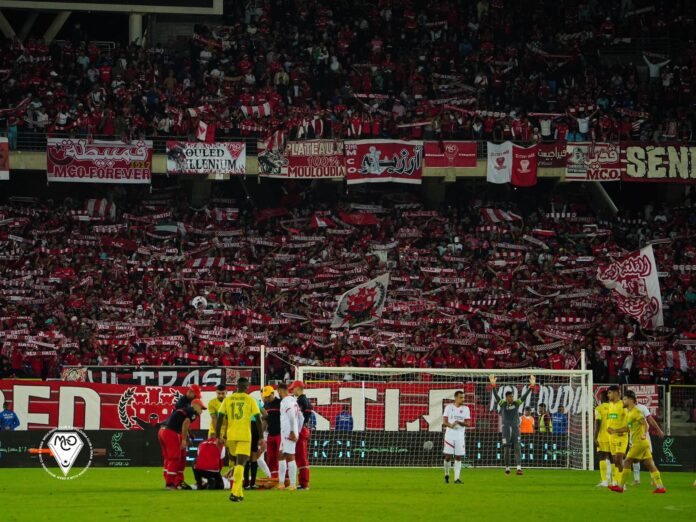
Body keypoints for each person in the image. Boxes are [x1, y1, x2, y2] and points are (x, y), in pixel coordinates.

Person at [215, 377, 264, 502]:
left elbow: (220, 417)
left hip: (231, 436)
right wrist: (261, 437)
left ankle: (240, 493)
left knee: (237, 464)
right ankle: (234, 493)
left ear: (237, 386)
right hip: (244, 436)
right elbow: (258, 419)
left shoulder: (228, 399)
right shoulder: (250, 400)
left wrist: (217, 436)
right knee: (241, 464)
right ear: (247, 387)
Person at [610, 391, 666, 494]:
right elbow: (628, 428)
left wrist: (644, 434)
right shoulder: (629, 413)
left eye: (625, 399)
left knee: (627, 461)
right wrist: (615, 431)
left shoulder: (636, 412)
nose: (623, 401)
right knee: (649, 464)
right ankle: (660, 487)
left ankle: (620, 486)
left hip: (639, 442)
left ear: (631, 400)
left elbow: (645, 424)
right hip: (642, 443)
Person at [489, 374, 537, 475]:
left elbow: (524, 397)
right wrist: (493, 385)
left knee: (517, 447)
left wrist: (531, 386)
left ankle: (519, 468)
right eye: (510, 396)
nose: (512, 398)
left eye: (512, 396)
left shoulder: (516, 403)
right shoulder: (502, 403)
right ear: (506, 397)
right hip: (506, 429)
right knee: (506, 449)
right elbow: (496, 396)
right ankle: (507, 468)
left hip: (515, 428)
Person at [158, 398, 206, 489]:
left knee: (174, 457)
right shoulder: (193, 412)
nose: (201, 411)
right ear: (196, 405)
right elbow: (185, 424)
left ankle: (177, 481)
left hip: (162, 431)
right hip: (171, 432)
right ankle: (170, 484)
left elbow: (183, 424)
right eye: (201, 408)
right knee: (175, 458)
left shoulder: (185, 410)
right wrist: (184, 440)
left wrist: (188, 438)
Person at [630, 399, 664, 485]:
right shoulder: (627, 409)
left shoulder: (642, 408)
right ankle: (637, 480)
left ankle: (654, 479)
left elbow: (650, 420)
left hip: (643, 436)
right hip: (632, 436)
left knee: (648, 458)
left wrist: (659, 430)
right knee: (634, 459)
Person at [442, 390, 472, 484]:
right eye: (461, 397)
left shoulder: (466, 408)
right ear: (455, 398)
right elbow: (444, 422)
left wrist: (459, 422)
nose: (462, 399)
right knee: (448, 457)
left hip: (460, 436)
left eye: (463, 397)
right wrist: (450, 425)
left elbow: (468, 423)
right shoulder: (448, 407)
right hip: (449, 435)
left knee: (458, 457)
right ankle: (446, 474)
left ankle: (456, 478)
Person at [277, 382, 301, 491]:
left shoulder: (285, 401)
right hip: (287, 432)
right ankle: (281, 483)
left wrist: (292, 431)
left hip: (288, 433)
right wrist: (298, 431)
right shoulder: (294, 401)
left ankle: (292, 484)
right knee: (281, 455)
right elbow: (302, 418)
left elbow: (291, 415)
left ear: (279, 391)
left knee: (290, 457)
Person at [290, 380, 312, 490]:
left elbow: (297, 417)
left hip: (300, 430)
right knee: (301, 456)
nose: (292, 391)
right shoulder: (306, 400)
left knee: (301, 457)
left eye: (293, 388)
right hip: (304, 429)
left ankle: (304, 483)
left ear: (298, 388)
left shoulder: (300, 401)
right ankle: (303, 482)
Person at [606, 385, 628, 491]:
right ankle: (616, 482)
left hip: (621, 437)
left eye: (610, 393)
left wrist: (618, 431)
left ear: (616, 393)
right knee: (615, 460)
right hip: (611, 437)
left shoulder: (623, 405)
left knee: (619, 458)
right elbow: (610, 420)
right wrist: (608, 428)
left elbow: (630, 424)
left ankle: (623, 484)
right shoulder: (610, 405)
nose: (608, 395)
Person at [244, 394, 267, 489]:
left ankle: (246, 484)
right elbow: (265, 415)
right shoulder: (255, 400)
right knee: (254, 455)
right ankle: (252, 483)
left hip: (244, 426)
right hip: (255, 427)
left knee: (245, 455)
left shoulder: (239, 400)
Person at [261, 385, 281, 480]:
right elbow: (265, 421)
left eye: (268, 396)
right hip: (270, 434)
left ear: (273, 393)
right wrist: (260, 434)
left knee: (281, 458)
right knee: (270, 459)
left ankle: (285, 478)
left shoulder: (280, 403)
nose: (267, 398)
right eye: (265, 396)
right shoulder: (266, 405)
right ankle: (273, 477)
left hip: (280, 434)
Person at [595, 390, 613, 487]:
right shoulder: (613, 408)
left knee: (602, 458)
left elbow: (598, 423)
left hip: (602, 437)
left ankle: (605, 481)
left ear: (602, 398)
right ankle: (615, 481)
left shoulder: (598, 409)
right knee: (613, 459)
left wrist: (595, 437)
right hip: (612, 437)